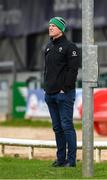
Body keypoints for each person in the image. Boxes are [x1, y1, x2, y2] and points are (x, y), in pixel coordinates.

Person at [44, 17, 80, 167]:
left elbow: (73, 70)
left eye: (53, 25)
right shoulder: (48, 47)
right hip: (50, 94)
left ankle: (71, 161)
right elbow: (47, 71)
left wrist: (64, 89)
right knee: (57, 127)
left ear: (61, 28)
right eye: (49, 25)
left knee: (66, 126)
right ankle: (60, 159)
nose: (50, 27)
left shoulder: (70, 47)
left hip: (64, 94)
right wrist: (46, 88)